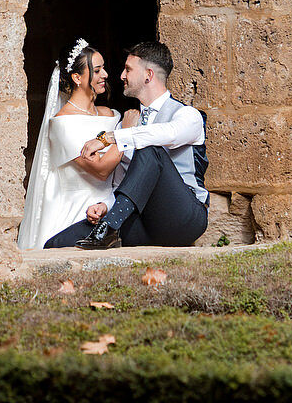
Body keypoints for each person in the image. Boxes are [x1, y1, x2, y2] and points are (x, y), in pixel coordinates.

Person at [74, 40, 207, 250]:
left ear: (148, 75)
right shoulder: (126, 125)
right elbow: (122, 183)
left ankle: (109, 228)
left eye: (128, 69)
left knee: (151, 150)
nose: (121, 76)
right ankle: (109, 226)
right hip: (143, 220)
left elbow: (169, 134)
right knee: (59, 242)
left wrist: (113, 137)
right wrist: (105, 206)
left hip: (184, 218)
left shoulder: (187, 115)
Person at [18, 38, 141, 249]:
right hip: (77, 210)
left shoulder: (111, 115)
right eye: (97, 70)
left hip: (111, 203)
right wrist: (126, 133)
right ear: (77, 77)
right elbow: (101, 170)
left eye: (104, 69)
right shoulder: (63, 123)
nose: (105, 75)